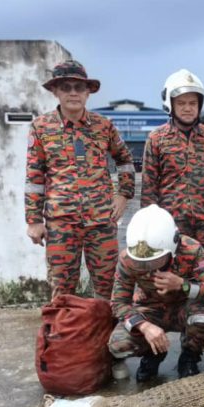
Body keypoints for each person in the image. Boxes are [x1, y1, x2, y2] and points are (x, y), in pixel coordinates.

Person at [24, 59, 136, 299]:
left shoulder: (103, 126)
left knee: (108, 287)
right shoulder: (41, 127)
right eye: (66, 87)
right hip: (61, 222)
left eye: (79, 88)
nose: (73, 93)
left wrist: (123, 194)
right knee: (62, 289)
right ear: (55, 91)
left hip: (101, 220)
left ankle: (107, 325)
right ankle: (65, 324)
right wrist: (33, 220)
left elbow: (125, 160)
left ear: (88, 92)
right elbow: (34, 176)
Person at [108, 205, 204, 381]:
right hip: (150, 310)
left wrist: (183, 285)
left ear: (172, 247)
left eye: (154, 260)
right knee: (118, 344)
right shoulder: (127, 259)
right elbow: (118, 303)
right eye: (141, 262)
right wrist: (144, 326)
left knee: (203, 317)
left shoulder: (191, 249)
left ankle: (190, 356)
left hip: (184, 307)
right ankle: (153, 352)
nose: (148, 267)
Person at [140, 69, 204, 264]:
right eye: (181, 103)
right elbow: (149, 187)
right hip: (172, 221)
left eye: (193, 103)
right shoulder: (156, 139)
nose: (188, 108)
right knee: (173, 267)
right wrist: (149, 223)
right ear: (170, 105)